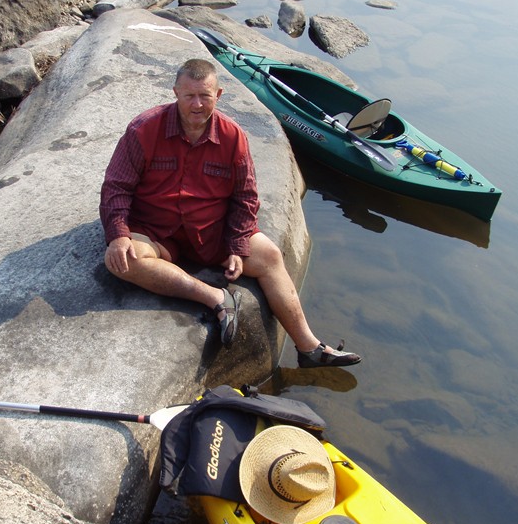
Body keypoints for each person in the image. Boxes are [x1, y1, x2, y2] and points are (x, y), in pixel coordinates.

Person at [99, 58, 360, 368]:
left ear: (218, 95)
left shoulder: (233, 137)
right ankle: (215, 298)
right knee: (122, 262)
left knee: (270, 257)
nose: (197, 104)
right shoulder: (143, 130)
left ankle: (309, 348)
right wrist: (117, 234)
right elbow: (116, 187)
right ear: (175, 93)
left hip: (212, 232)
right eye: (189, 96)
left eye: (205, 96)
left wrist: (237, 246)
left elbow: (246, 197)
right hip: (156, 229)